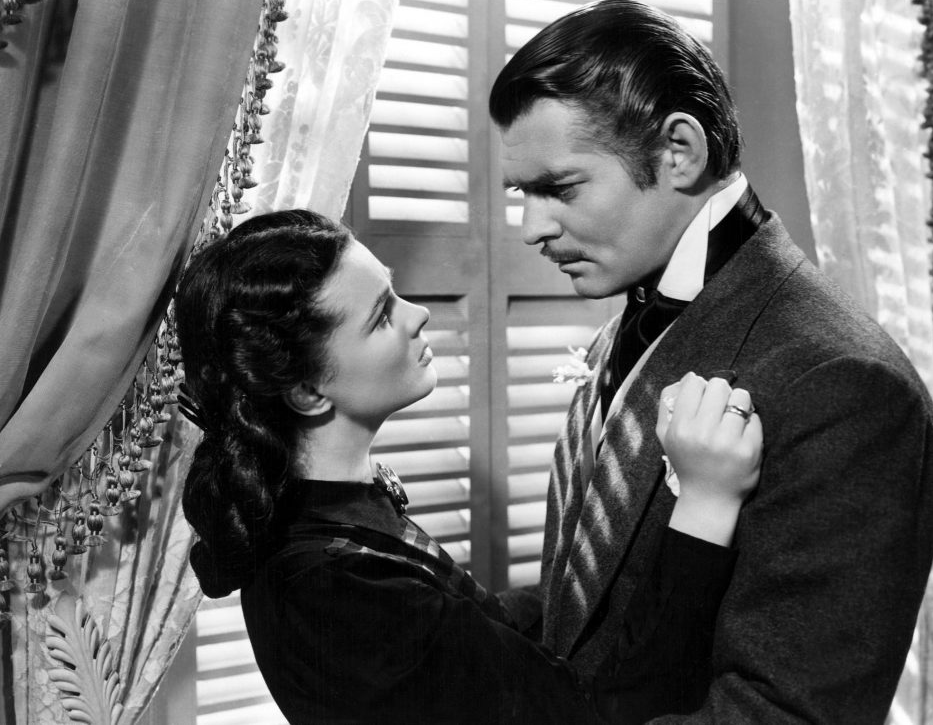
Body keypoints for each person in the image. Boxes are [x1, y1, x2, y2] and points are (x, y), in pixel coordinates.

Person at [489, 0, 933, 724]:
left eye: (560, 188)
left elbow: (782, 713)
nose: (531, 227)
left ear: (680, 151)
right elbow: (591, 604)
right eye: (523, 193)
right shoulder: (632, 323)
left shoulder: (844, 384)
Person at [173, 209, 763, 724]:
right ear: (307, 391)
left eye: (395, 292)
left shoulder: (333, 514)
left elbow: (480, 633)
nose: (418, 315)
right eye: (381, 317)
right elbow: (603, 717)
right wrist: (706, 503)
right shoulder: (335, 590)